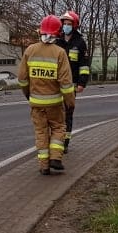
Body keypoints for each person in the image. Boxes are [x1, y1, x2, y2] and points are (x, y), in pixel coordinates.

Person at [18, 15, 76, 175]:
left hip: (36, 103)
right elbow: (66, 83)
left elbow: (22, 79)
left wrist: (28, 94)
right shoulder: (60, 53)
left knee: (41, 132)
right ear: (58, 33)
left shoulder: (30, 50)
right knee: (58, 128)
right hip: (55, 104)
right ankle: (56, 158)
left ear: (40, 31)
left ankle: (44, 166)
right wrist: (70, 102)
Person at [55, 10, 90, 153]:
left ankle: (65, 142)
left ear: (74, 25)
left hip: (72, 84)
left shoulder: (80, 42)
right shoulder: (58, 40)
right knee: (56, 113)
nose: (66, 26)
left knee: (68, 114)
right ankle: (55, 141)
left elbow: (84, 65)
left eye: (69, 24)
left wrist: (82, 83)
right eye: (64, 24)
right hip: (56, 83)